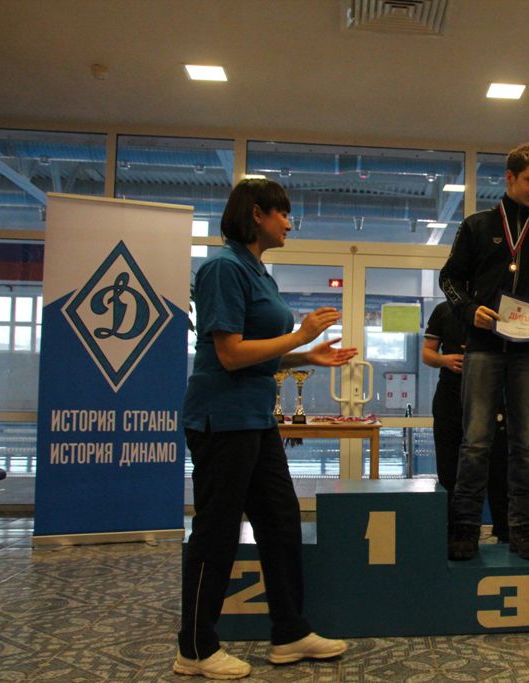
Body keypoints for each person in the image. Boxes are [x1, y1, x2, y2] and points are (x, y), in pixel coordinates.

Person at [176, 178, 358, 680]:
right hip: (222, 420)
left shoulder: (258, 272)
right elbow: (230, 354)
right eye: (283, 214)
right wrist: (298, 336)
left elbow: (259, 356)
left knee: (280, 521)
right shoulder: (223, 268)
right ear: (257, 214)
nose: (289, 223)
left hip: (256, 420)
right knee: (216, 532)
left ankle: (289, 632)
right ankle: (195, 647)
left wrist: (307, 356)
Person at [439, 143, 529, 561]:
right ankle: (464, 528)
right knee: (475, 443)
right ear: (509, 178)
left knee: (525, 444)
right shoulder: (477, 226)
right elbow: (449, 279)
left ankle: (522, 529)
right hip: (482, 348)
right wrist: (469, 310)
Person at [422, 301, 509, 542]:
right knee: (449, 470)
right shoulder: (444, 310)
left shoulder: (498, 309)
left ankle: (505, 530)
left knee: (498, 468)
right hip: (450, 398)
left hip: (490, 396)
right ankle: (455, 532)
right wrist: (446, 360)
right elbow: (427, 353)